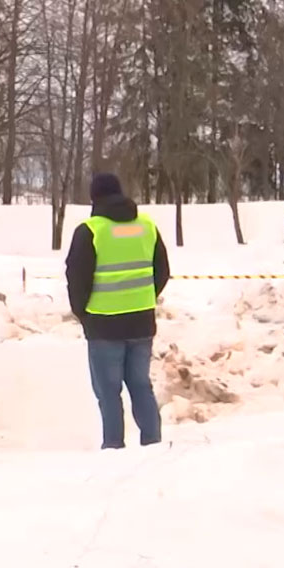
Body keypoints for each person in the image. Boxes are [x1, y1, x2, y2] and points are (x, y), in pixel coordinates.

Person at [65, 173, 171, 450]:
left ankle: (113, 448)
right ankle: (153, 443)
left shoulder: (90, 230)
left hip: (103, 325)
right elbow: (162, 270)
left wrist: (83, 314)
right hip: (142, 322)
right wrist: (145, 296)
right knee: (140, 385)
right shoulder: (147, 226)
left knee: (109, 393)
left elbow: (77, 278)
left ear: (94, 198)